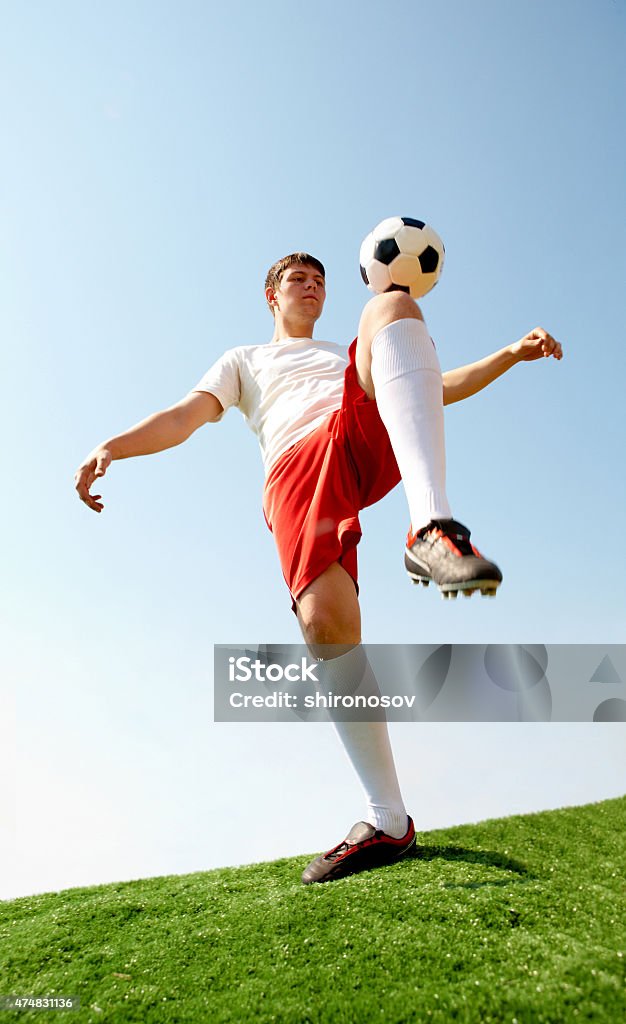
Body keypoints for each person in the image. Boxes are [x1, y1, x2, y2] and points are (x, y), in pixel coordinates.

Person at [74, 251, 562, 884]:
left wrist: (509, 354)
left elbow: (433, 389)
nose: (312, 287)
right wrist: (113, 445)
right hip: (296, 474)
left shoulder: (342, 355)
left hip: (353, 435)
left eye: (320, 281)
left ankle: (431, 525)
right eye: (298, 280)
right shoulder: (244, 360)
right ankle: (390, 822)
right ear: (271, 296)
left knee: (389, 307)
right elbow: (183, 417)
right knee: (326, 627)